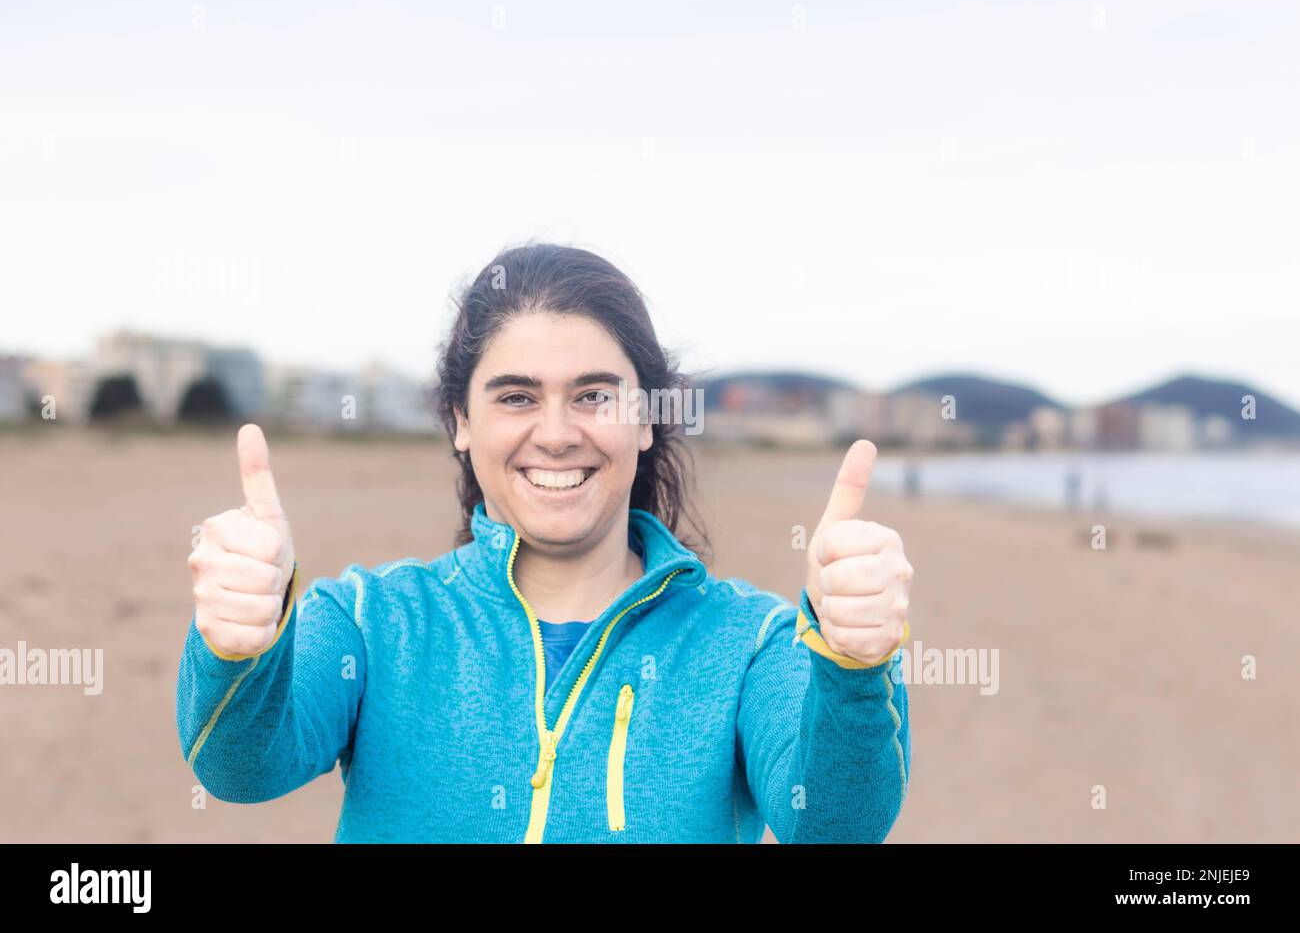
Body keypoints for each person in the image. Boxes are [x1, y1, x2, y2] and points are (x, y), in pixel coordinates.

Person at [177, 242, 913, 843]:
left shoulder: (752, 642)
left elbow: (834, 822)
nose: (557, 434)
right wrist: (239, 643)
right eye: (517, 396)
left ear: (647, 419)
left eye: (594, 395)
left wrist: (853, 661)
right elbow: (238, 767)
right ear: (461, 422)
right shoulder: (372, 620)